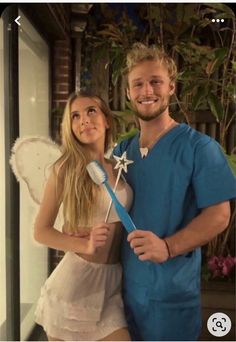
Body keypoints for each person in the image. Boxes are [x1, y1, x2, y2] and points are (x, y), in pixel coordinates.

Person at [113, 43, 236, 341]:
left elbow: (220, 215)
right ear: (128, 92)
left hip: (170, 296)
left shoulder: (200, 148)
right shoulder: (121, 152)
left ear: (171, 87)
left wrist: (167, 247)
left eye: (155, 81)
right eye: (138, 84)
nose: (147, 91)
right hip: (121, 294)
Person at [34, 92, 133, 341]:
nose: (84, 120)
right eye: (75, 116)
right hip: (75, 287)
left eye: (91, 111)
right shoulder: (65, 169)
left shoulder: (117, 167)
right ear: (70, 127)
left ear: (107, 120)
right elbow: (41, 230)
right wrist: (84, 244)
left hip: (111, 283)